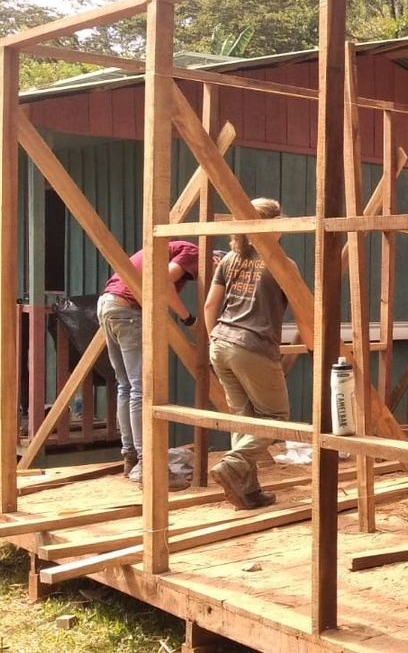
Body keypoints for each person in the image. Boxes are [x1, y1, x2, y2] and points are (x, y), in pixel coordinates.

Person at [205, 198, 290, 510]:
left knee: (244, 420)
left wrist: (214, 339)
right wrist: (313, 346)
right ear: (273, 225)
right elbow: (305, 313)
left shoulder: (230, 259)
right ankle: (233, 463)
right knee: (277, 419)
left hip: (220, 343)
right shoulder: (282, 264)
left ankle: (247, 491)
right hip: (253, 346)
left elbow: (209, 305)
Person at [97, 239, 202, 482]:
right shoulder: (193, 252)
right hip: (128, 309)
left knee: (126, 386)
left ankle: (130, 457)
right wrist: (189, 320)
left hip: (108, 304)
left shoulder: (167, 249)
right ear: (214, 259)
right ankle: (147, 463)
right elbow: (163, 282)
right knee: (139, 388)